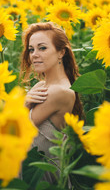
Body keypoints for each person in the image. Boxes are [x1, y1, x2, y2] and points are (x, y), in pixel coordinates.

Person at [20, 22, 83, 184]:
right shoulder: (41, 85)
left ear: (61, 52)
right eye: (31, 49)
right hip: (29, 171)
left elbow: (16, 129)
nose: (34, 54)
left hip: (42, 180)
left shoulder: (59, 91)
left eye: (42, 48)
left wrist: (24, 103)